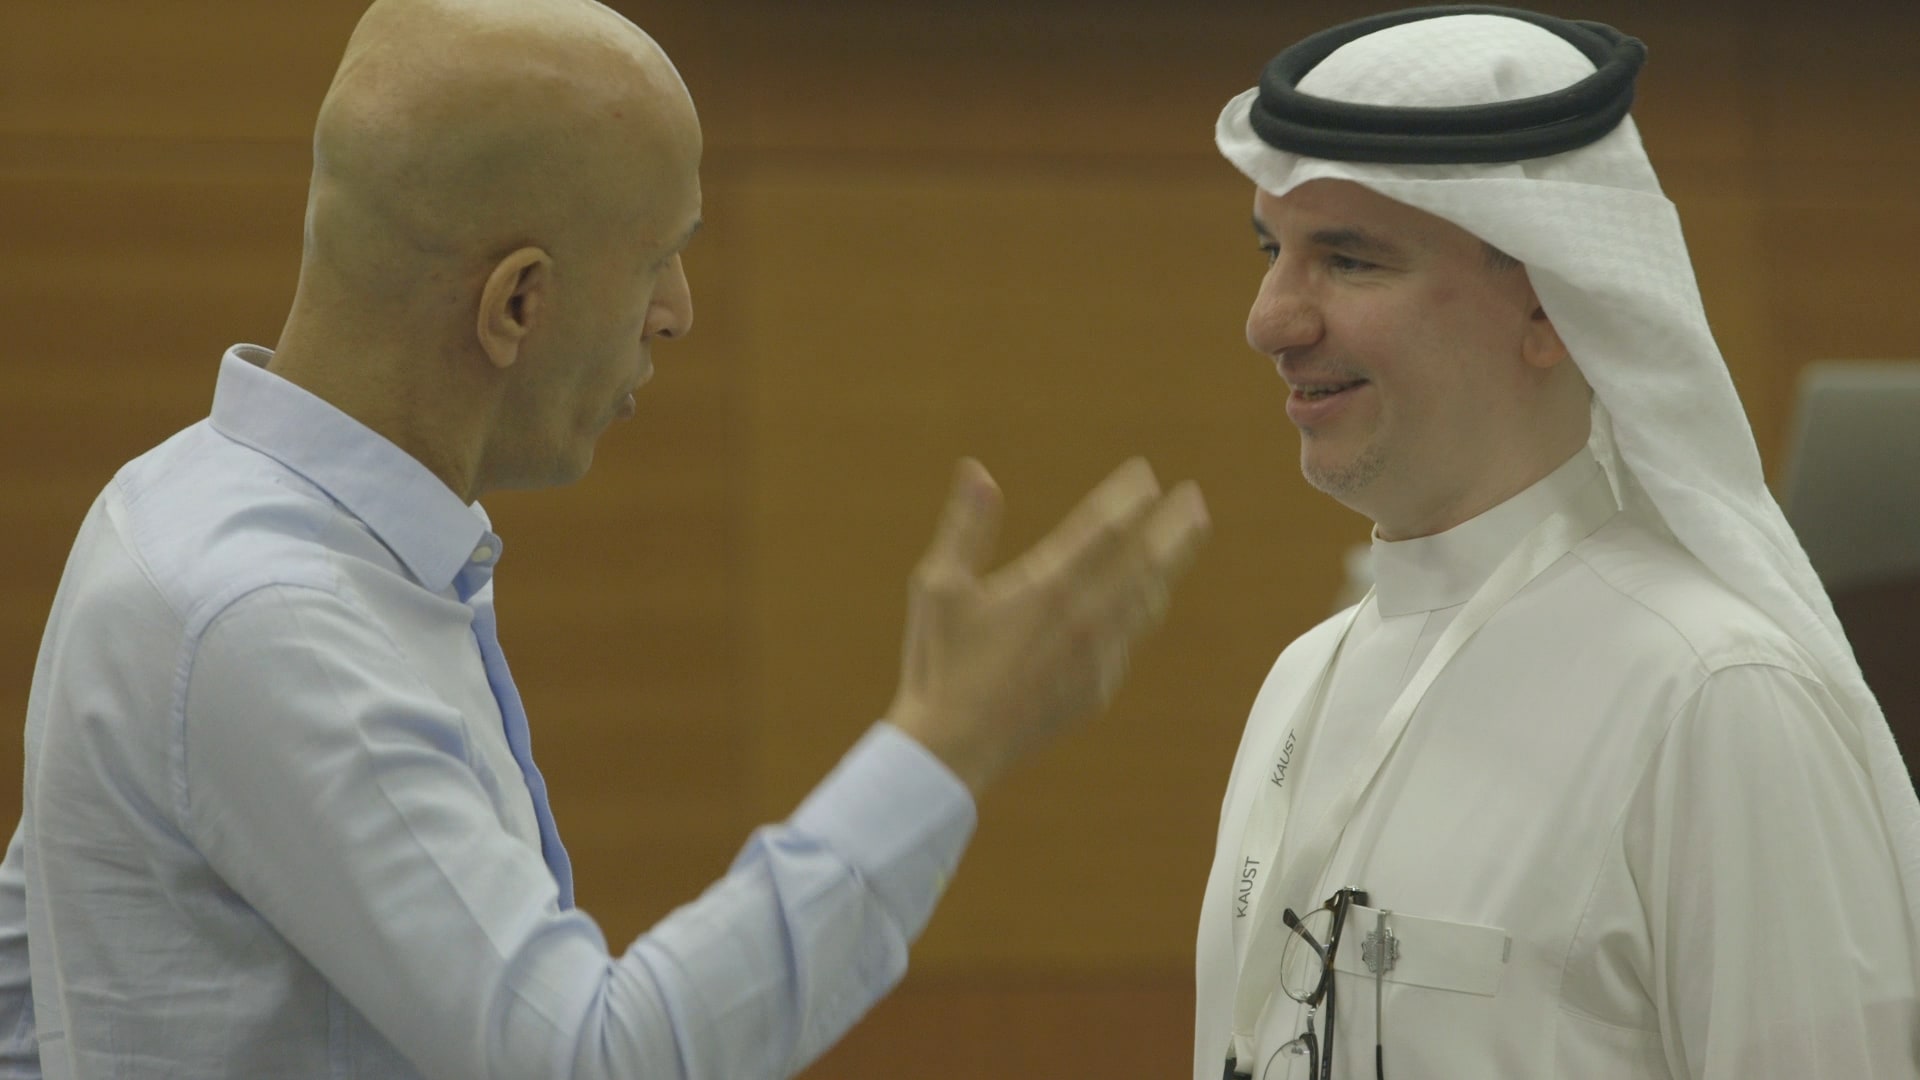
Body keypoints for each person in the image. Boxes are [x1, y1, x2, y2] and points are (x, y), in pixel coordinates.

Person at [0, 0, 1213, 1076]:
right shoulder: (267, 619)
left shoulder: (165, 510)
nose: (677, 314)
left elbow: (27, 991)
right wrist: (947, 743)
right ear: (517, 302)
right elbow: (592, 1058)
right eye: (658, 260)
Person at [1192, 7, 1920, 1079]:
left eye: (1347, 260)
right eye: (1273, 251)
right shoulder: (1304, 680)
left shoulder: (1714, 696)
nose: (1271, 321)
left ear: (1549, 303)